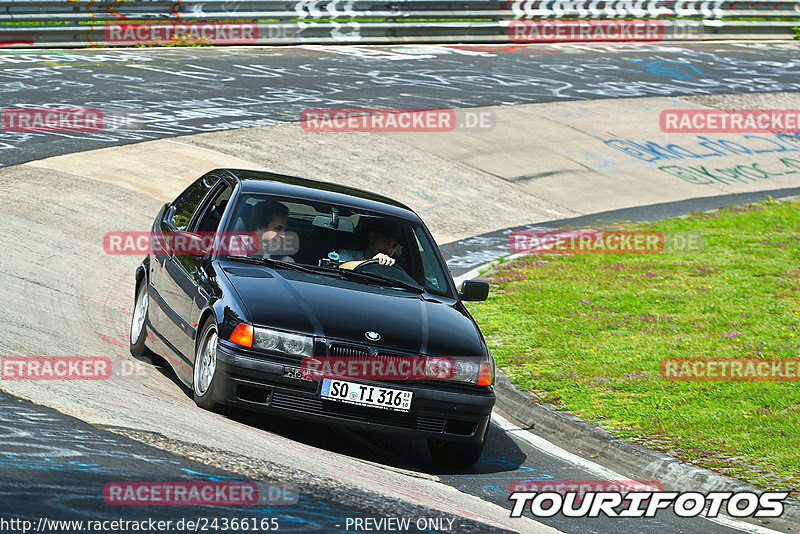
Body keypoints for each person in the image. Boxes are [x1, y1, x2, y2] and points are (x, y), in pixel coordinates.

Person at [334, 221, 400, 267]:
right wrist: (372, 262)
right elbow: (340, 267)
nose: (389, 250)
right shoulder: (347, 255)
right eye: (386, 242)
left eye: (394, 246)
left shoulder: (392, 267)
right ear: (372, 237)